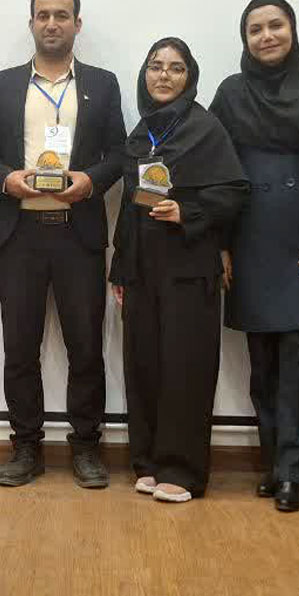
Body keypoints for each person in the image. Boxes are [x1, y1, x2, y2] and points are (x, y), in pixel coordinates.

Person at [0, 0, 125, 489]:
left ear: (77, 24)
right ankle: (26, 447)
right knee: (20, 348)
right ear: (31, 22)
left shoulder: (102, 83)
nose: (52, 23)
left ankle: (86, 446)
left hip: (78, 235)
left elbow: (119, 154)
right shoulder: (3, 84)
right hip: (20, 235)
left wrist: (91, 181)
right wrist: (6, 180)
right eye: (43, 15)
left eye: (62, 15)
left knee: (86, 347)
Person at [208, 0, 299, 512]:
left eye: (276, 26)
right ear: (244, 39)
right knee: (263, 367)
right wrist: (221, 243)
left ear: (292, 30)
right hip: (251, 242)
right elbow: (217, 175)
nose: (266, 36)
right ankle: (274, 463)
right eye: (255, 29)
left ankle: (294, 472)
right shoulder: (230, 93)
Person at [110, 37, 246, 504]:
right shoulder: (140, 134)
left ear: (190, 77)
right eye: (155, 66)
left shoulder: (206, 129)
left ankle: (182, 470)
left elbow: (234, 192)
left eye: (175, 67)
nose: (163, 75)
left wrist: (187, 211)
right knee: (144, 366)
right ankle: (149, 461)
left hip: (189, 268)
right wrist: (120, 269)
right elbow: (128, 208)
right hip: (142, 269)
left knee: (185, 369)